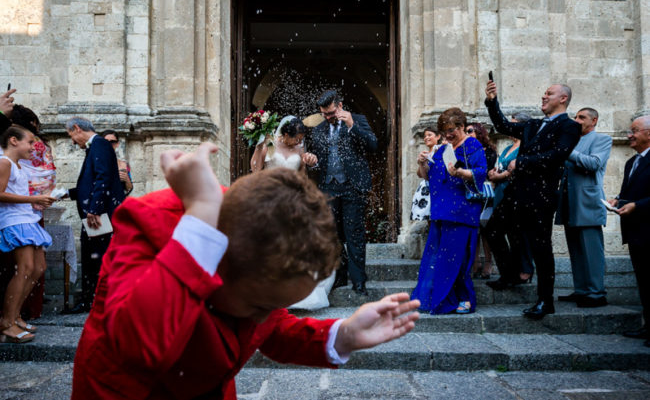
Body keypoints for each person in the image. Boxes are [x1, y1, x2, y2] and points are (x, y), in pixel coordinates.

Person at [71, 143, 420, 399]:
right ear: (220, 263)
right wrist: (201, 219)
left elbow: (271, 326)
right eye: (261, 306)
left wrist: (341, 336)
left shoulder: (258, 261)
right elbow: (138, 343)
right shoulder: (152, 224)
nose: (266, 316)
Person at [484, 81, 581, 320]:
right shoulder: (533, 124)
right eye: (544, 92)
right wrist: (492, 101)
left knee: (541, 247)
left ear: (563, 99)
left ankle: (545, 301)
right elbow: (503, 125)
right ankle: (510, 274)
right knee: (494, 230)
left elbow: (558, 154)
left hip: (541, 195)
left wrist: (523, 162)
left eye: (549, 93)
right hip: (516, 193)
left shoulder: (570, 126)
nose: (543, 96)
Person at [252, 115, 335, 310]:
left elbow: (303, 178)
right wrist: (258, 147)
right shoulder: (269, 145)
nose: (299, 141)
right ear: (285, 134)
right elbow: (255, 170)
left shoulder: (300, 149)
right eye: (296, 138)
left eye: (301, 138)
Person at [411, 108, 487, 315]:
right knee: (438, 258)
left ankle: (465, 299)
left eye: (452, 130)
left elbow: (481, 171)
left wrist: (461, 172)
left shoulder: (472, 145)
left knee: (457, 260)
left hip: (461, 211)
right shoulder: (444, 149)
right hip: (441, 211)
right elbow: (427, 176)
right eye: (445, 131)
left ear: (462, 127)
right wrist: (422, 163)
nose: (448, 134)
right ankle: (439, 298)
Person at [303, 90, 378, 296]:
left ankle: (359, 280)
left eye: (331, 113)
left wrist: (351, 125)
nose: (328, 117)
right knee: (332, 235)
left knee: (354, 233)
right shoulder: (318, 130)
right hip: (328, 188)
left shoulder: (358, 120)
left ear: (340, 106)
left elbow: (373, 145)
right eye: (324, 114)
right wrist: (312, 161)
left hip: (353, 186)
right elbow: (317, 160)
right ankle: (340, 274)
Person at [0, 126, 55, 343]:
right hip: (15, 221)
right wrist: (34, 200)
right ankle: (7, 322)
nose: (34, 147)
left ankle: (15, 316)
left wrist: (39, 200)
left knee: (38, 267)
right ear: (14, 140)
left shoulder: (18, 166)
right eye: (30, 142)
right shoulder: (4, 163)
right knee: (25, 269)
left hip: (27, 219)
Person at [64, 118, 125, 313]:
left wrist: (95, 209)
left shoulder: (99, 144)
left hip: (98, 215)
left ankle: (96, 301)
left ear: (76, 128)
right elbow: (90, 183)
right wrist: (65, 193)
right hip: (96, 212)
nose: (73, 141)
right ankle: (92, 300)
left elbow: (103, 178)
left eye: (71, 136)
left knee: (96, 257)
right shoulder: (97, 146)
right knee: (93, 256)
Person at [556, 107, 612, 308]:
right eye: (575, 117)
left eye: (582, 117)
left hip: (588, 201)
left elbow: (594, 163)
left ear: (594, 120)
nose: (576, 120)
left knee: (591, 249)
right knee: (575, 248)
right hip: (569, 200)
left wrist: (567, 151)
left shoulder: (602, 140)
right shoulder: (573, 140)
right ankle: (581, 290)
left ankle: (597, 292)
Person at [608, 115, 650, 347]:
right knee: (643, 282)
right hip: (636, 233)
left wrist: (638, 205)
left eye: (634, 131)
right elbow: (631, 194)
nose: (629, 135)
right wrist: (619, 200)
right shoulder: (631, 162)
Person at [487, 112, 534, 283]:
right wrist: (494, 173)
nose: (511, 128)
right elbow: (500, 166)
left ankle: (526, 270)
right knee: (501, 233)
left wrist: (504, 175)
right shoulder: (507, 148)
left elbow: (520, 169)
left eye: (514, 124)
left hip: (517, 194)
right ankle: (509, 271)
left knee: (520, 233)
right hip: (501, 194)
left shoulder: (527, 146)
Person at [466, 122, 496, 279]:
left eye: (470, 131)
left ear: (479, 132)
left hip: (485, 192)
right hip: (471, 192)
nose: (468, 133)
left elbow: (487, 170)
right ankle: (476, 262)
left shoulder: (489, 151)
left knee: (486, 229)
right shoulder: (466, 151)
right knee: (474, 229)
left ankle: (488, 263)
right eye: (466, 131)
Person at [411, 127, 443, 221]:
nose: (426, 138)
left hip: (436, 187)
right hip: (426, 189)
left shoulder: (440, 149)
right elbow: (419, 174)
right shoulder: (426, 153)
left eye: (429, 135)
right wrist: (420, 162)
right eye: (425, 136)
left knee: (436, 217)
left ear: (438, 137)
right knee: (428, 217)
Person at [100, 130, 134, 196]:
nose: (109, 144)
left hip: (118, 202)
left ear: (117, 144)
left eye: (112, 142)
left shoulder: (124, 165)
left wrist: (126, 179)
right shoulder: (93, 162)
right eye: (106, 141)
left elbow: (129, 189)